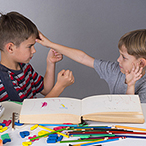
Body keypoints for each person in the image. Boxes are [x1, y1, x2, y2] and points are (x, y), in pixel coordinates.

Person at [36, 29, 146, 103]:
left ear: (141, 63)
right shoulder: (115, 70)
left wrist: (130, 86)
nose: (118, 60)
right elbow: (83, 58)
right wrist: (50, 44)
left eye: (124, 57)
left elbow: (131, 113)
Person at [0, 11, 74, 102]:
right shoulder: (4, 81)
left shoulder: (25, 67)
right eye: (30, 46)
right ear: (10, 48)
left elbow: (46, 90)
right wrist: (60, 87)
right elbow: (27, 113)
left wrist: (50, 62)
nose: (34, 50)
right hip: (27, 116)